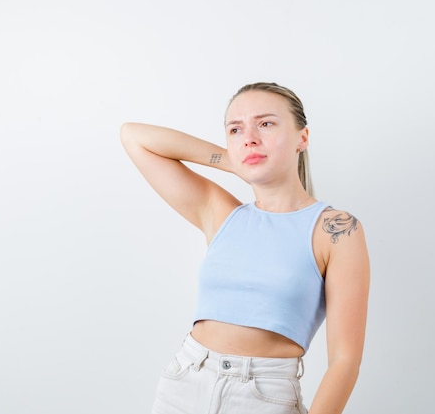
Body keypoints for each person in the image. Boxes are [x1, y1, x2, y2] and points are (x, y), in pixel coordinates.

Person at [120, 82, 370, 414]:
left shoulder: (336, 230)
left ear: (302, 138)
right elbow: (133, 136)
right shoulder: (220, 213)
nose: (249, 137)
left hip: (262, 397)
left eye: (266, 123)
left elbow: (345, 361)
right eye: (236, 130)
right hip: (184, 383)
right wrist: (231, 160)